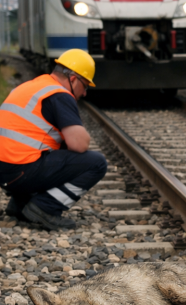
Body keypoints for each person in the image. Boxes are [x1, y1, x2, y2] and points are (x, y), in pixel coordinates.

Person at [0, 49, 107, 231]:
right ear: (73, 79)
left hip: (5, 172)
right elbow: (79, 144)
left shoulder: (28, 87)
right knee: (97, 163)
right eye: (85, 86)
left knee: (53, 145)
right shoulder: (59, 94)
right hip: (21, 171)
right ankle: (44, 208)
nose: (84, 93)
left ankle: (20, 202)